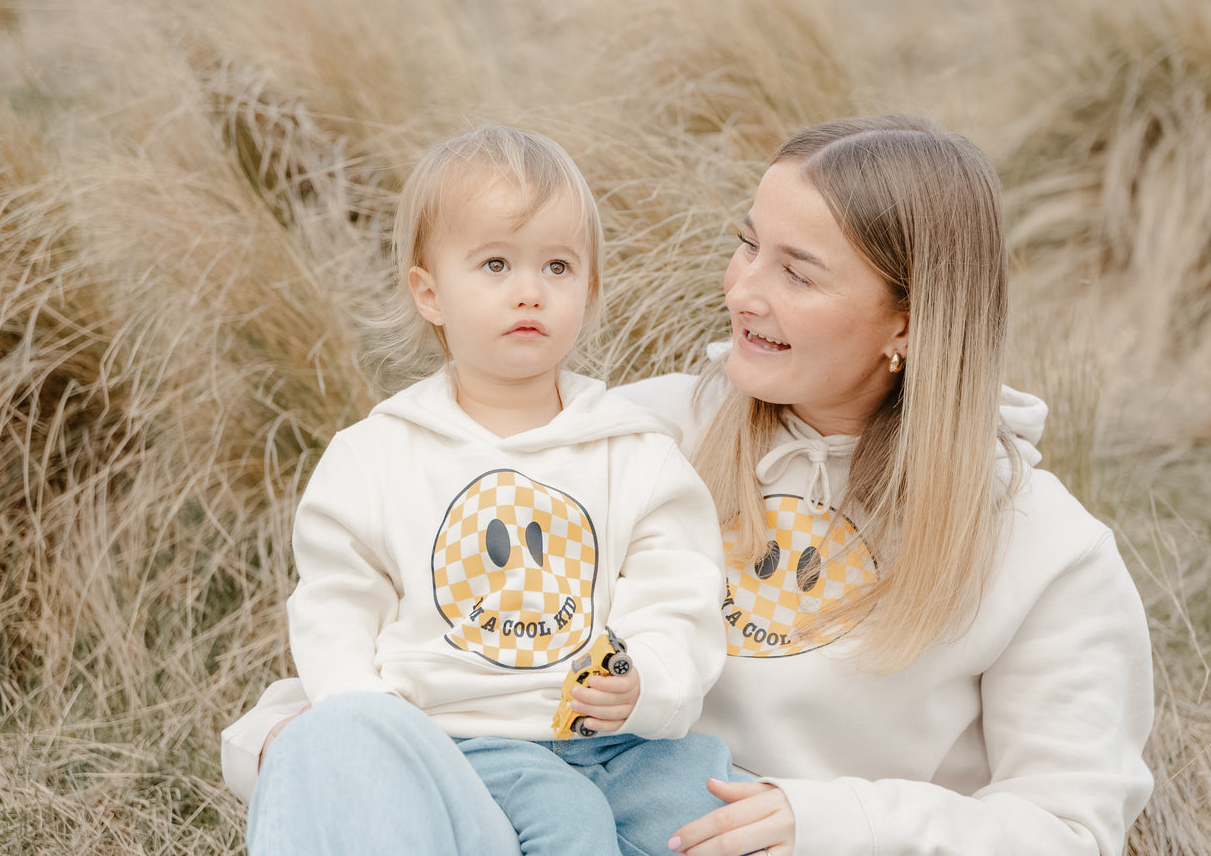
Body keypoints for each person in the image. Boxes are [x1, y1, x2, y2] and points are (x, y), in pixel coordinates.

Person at [223, 116, 1155, 856]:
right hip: (544, 813)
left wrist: (827, 821)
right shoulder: (634, 431)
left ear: (905, 321)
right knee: (331, 748)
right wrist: (289, 737)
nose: (742, 290)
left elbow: (1069, 828)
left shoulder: (1045, 551)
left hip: (734, 838)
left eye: (795, 272)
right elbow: (426, 638)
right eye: (746, 245)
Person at [251, 125, 733, 856]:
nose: (530, 290)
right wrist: (368, 713)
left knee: (701, 785)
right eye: (496, 264)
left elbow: (678, 590)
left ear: (590, 288)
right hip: (461, 734)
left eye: (559, 266)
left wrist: (646, 677)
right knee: (565, 819)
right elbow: (336, 602)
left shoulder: (632, 451)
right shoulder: (377, 455)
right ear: (429, 292)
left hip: (607, 734)